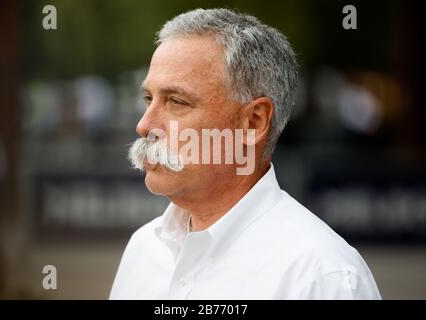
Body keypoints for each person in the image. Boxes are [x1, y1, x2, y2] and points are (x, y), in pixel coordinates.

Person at [110, 8, 381, 299]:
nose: (144, 125)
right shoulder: (144, 249)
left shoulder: (324, 277)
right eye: (149, 99)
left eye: (176, 101)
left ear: (253, 122)